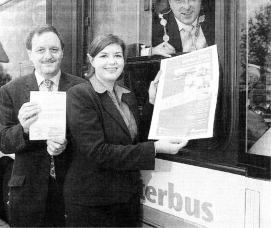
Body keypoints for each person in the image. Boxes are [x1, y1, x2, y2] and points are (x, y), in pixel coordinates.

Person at [64, 34, 188, 227]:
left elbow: (137, 137)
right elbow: (98, 152)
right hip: (92, 203)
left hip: (126, 200)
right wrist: (155, 149)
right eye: (104, 56)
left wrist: (151, 101)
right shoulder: (80, 95)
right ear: (91, 60)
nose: (112, 62)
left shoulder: (126, 95)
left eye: (118, 56)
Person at [0, 24, 84, 227]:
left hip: (71, 190)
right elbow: (3, 142)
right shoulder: (11, 90)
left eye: (54, 49)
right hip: (28, 196)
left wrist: (66, 144)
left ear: (62, 53)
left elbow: (90, 136)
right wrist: (24, 129)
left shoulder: (81, 88)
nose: (48, 56)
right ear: (30, 55)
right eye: (40, 50)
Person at [142, 0, 215, 57]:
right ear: (170, 1)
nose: (187, 6)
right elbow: (128, 51)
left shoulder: (216, 18)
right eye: (179, 0)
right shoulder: (157, 25)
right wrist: (152, 51)